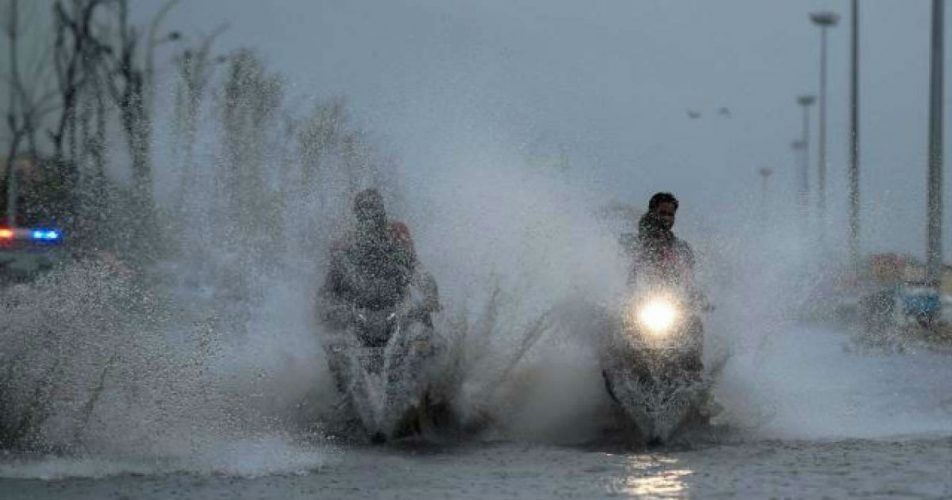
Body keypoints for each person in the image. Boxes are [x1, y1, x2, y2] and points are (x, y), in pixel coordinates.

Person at [320, 188, 439, 344]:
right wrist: (326, 308)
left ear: (381, 211)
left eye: (373, 209)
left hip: (397, 303)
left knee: (420, 326)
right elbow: (331, 282)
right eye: (364, 210)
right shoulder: (346, 242)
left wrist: (431, 296)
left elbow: (416, 268)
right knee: (335, 333)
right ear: (357, 214)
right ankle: (335, 358)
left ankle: (431, 354)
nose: (370, 216)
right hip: (359, 306)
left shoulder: (396, 233)